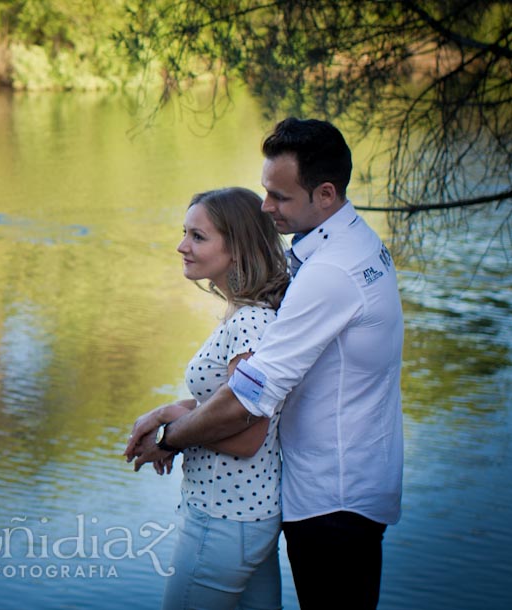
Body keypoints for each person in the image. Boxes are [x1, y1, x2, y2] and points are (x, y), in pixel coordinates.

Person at [125, 118, 404, 610]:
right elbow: (249, 389)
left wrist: (170, 439)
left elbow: (248, 406)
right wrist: (176, 409)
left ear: (324, 193)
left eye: (280, 196)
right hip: (344, 483)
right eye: (265, 191)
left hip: (330, 500)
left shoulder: (329, 273)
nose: (265, 206)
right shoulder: (355, 244)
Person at [134, 187, 291, 609]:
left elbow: (247, 437)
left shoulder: (251, 324)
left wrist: (172, 436)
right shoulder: (246, 313)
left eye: (198, 237)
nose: (182, 246)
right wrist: (170, 411)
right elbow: (227, 406)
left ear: (237, 247)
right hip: (243, 517)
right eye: (185, 233)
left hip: (223, 520)